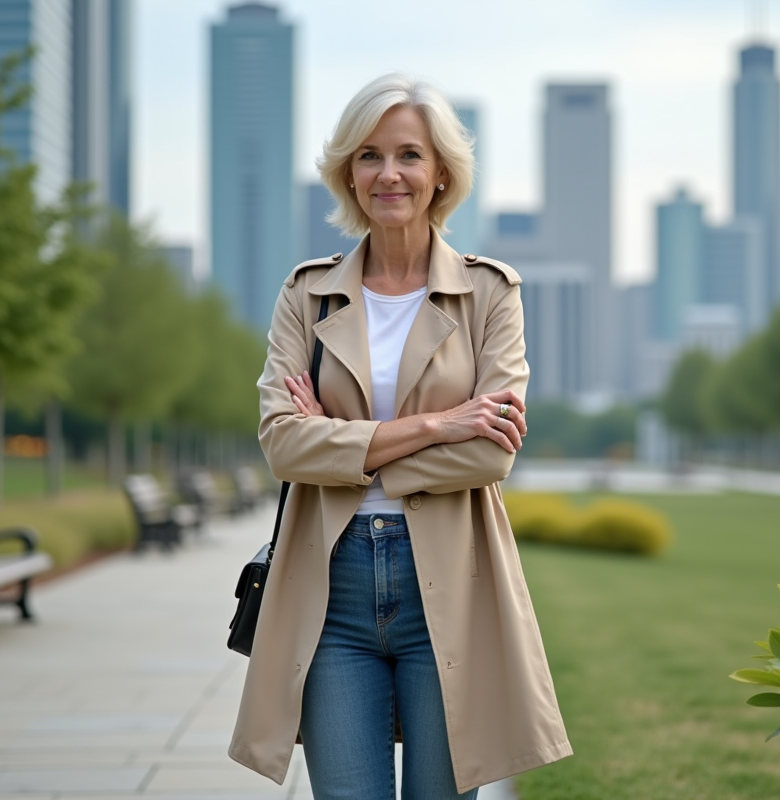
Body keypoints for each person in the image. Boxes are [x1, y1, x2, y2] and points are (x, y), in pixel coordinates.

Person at [228, 73, 572, 800]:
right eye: (369, 155)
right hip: (330, 591)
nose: (389, 174)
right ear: (347, 172)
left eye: (409, 154)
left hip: (451, 582)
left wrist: (343, 444)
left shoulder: (489, 293)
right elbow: (283, 446)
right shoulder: (306, 292)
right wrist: (437, 424)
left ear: (441, 170)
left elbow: (490, 454)